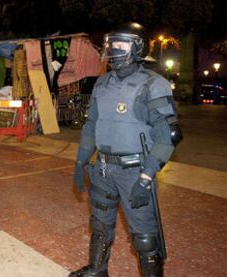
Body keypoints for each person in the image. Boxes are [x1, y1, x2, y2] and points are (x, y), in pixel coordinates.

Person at [70, 23, 182, 277]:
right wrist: (80, 162)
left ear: (138, 47)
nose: (113, 50)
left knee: (144, 237)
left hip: (135, 171)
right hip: (103, 168)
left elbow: (169, 135)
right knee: (100, 225)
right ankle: (98, 270)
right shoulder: (102, 83)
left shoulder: (153, 84)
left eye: (120, 44)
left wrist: (146, 177)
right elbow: (91, 125)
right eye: (110, 45)